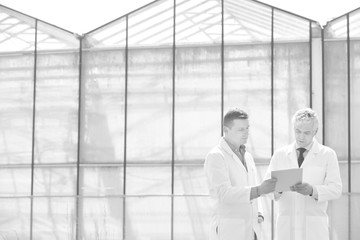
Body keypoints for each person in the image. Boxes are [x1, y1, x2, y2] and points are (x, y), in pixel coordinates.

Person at [264, 108, 342, 240]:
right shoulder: (280, 155)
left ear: (315, 132)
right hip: (286, 229)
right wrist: (279, 190)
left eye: (306, 133)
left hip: (314, 230)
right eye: (297, 131)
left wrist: (312, 190)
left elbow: (336, 189)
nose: (301, 137)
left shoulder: (327, 155)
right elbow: (265, 188)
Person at [204, 108, 277, 240]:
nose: (246, 133)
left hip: (252, 228)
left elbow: (252, 185)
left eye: (247, 128)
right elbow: (224, 193)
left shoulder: (247, 156)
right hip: (229, 229)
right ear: (226, 130)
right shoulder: (216, 156)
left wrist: (259, 212)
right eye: (240, 129)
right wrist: (259, 190)